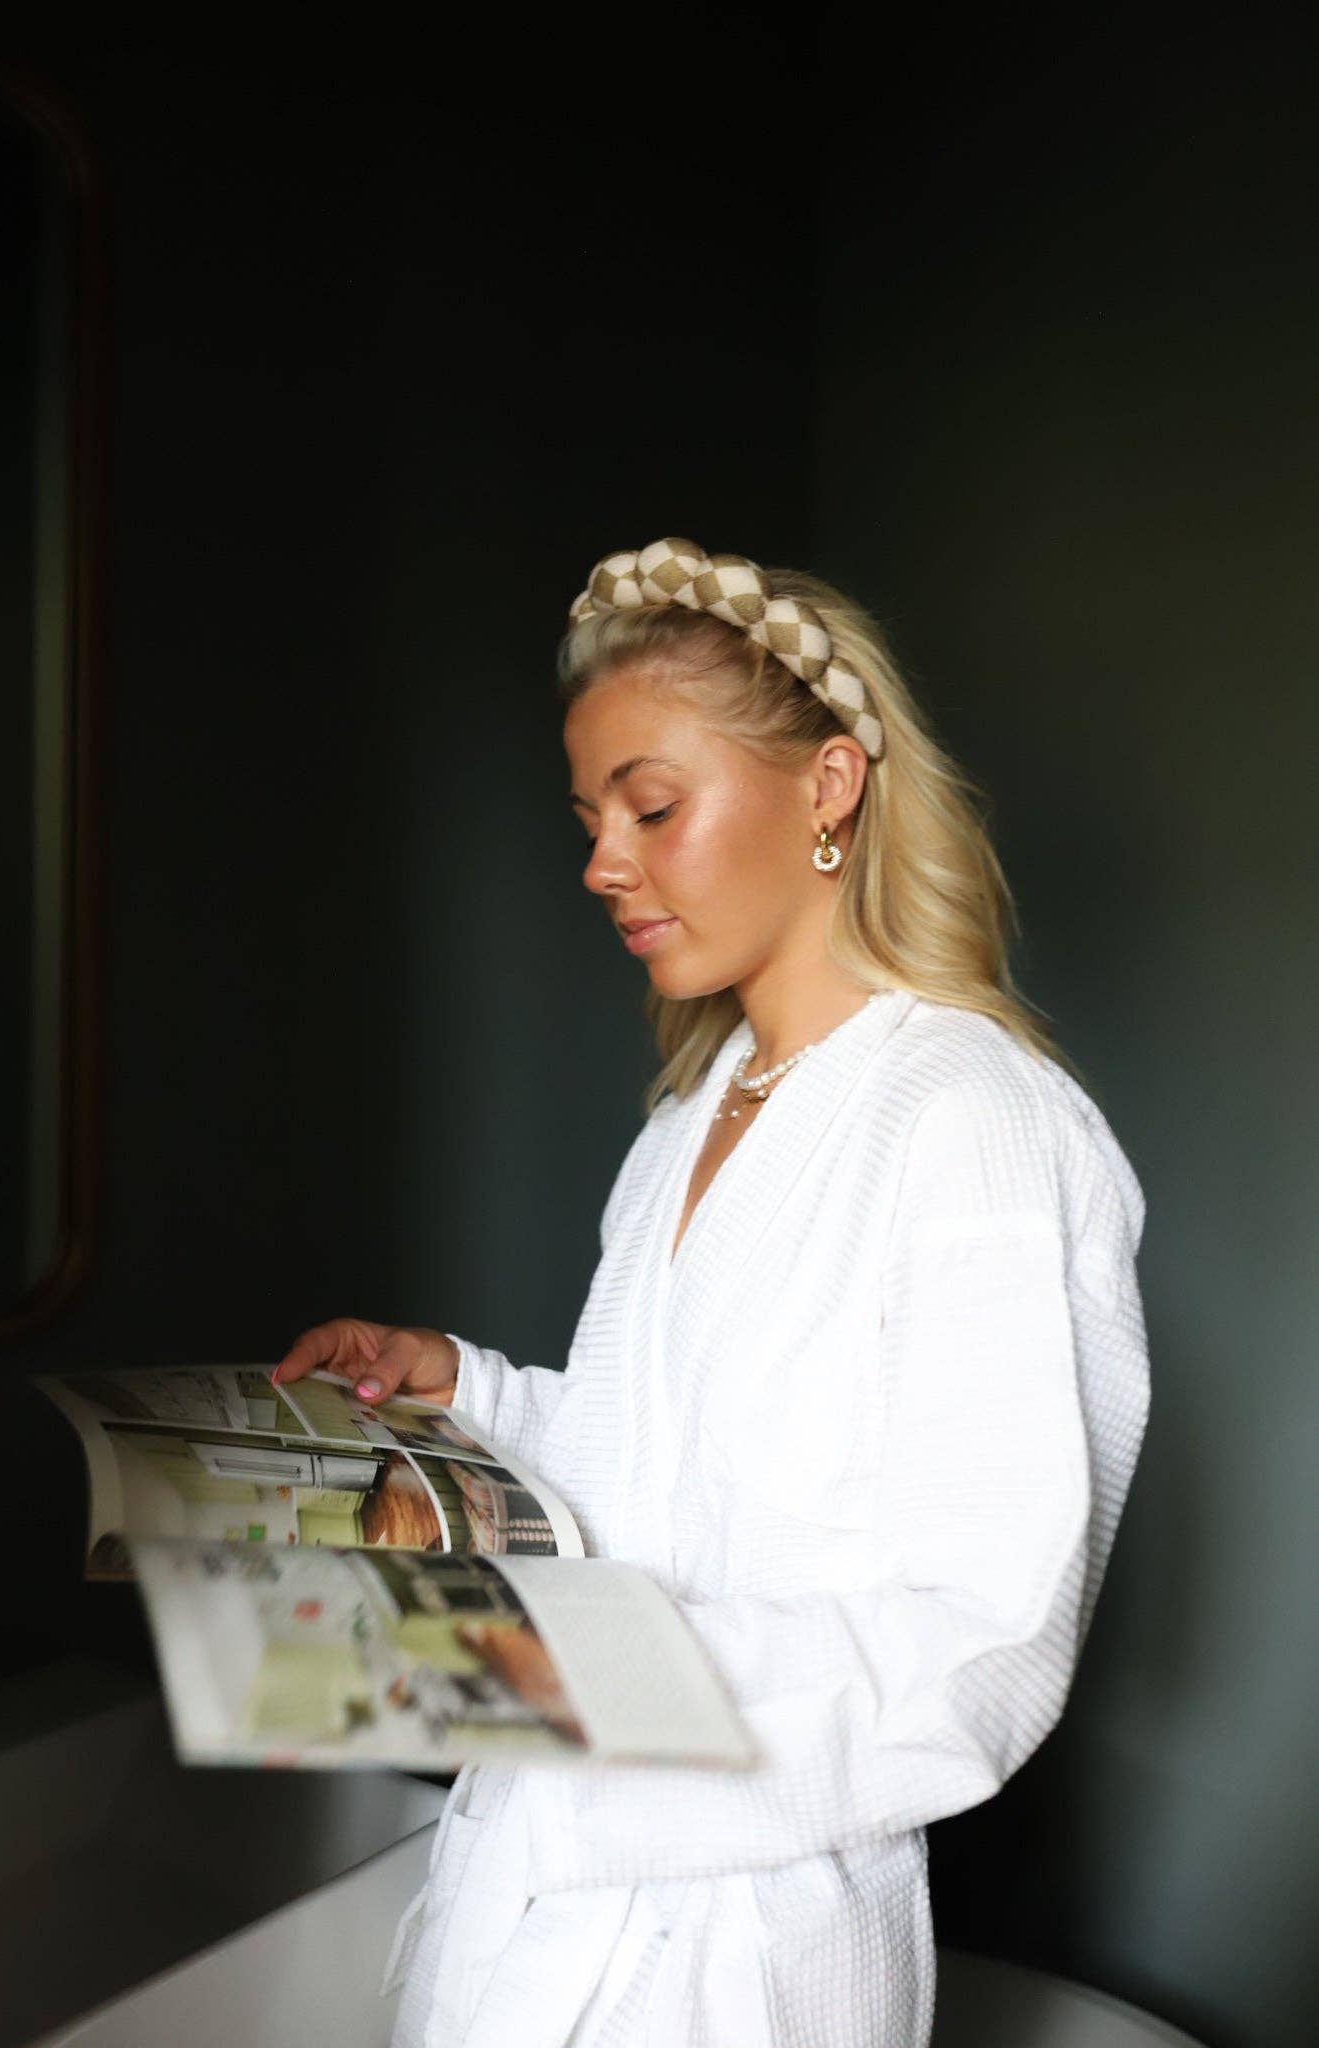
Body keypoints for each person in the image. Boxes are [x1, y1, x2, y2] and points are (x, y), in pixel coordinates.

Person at [271, 537, 1151, 2048]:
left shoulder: (977, 1121)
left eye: (653, 807)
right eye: (590, 821)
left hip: (741, 1959)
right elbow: (668, 1469)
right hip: (519, 1889)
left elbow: (980, 1641)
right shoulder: (697, 1112)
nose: (603, 864)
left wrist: (567, 1671)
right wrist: (465, 1388)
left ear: (827, 788)